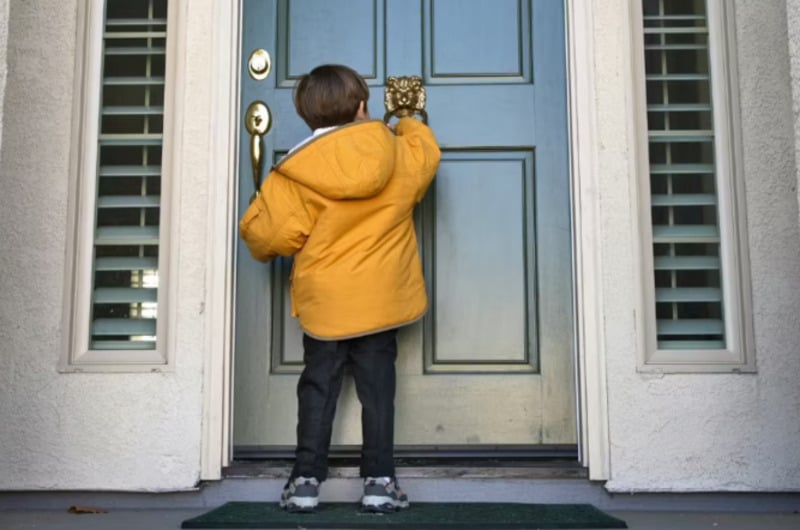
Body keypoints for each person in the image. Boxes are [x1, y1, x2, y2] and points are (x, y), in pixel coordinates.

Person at [239, 64, 441, 513]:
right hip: (380, 299)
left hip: (327, 305)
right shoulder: (397, 153)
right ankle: (379, 482)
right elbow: (425, 154)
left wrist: (259, 212)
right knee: (377, 388)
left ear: (307, 116)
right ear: (364, 107)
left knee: (318, 385)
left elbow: (268, 239)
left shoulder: (295, 173)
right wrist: (406, 117)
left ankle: (306, 481)